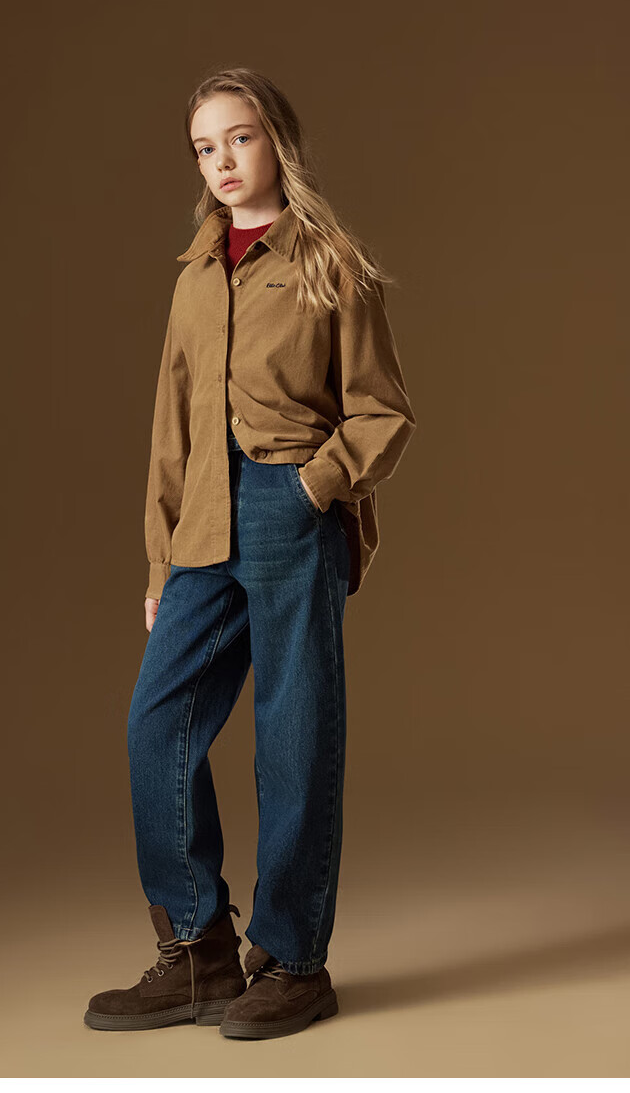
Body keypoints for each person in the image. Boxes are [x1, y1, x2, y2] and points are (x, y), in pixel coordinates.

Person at [84, 67, 416, 1040]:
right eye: (204, 147)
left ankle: (295, 960)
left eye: (239, 138)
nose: (222, 162)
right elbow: (171, 431)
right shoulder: (194, 276)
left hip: (290, 505)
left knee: (293, 737)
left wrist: (317, 486)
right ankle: (197, 950)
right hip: (200, 521)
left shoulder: (330, 262)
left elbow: (384, 411)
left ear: (278, 141)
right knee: (157, 723)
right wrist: (159, 564)